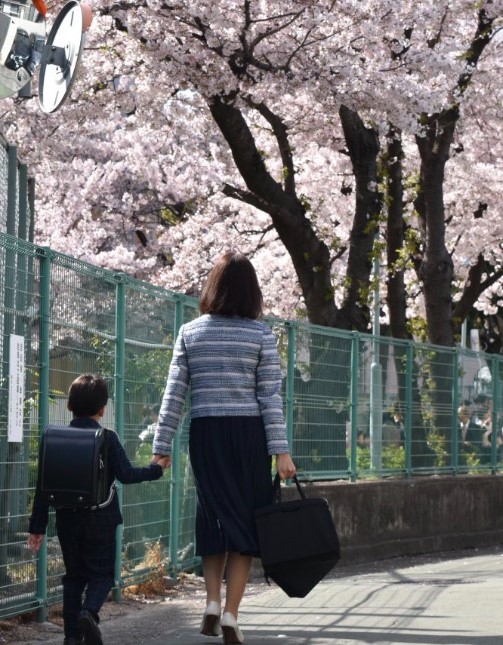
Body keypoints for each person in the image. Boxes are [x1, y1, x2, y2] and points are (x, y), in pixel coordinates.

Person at [152, 251, 296, 645]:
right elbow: (270, 398)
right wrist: (281, 451)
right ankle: (232, 613)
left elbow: (174, 395)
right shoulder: (261, 336)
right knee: (246, 523)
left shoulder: (190, 333)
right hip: (249, 436)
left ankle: (211, 603)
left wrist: (161, 445)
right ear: (253, 292)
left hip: (207, 434)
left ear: (212, 287)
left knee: (213, 516)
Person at [27, 374, 164, 645]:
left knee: (73, 577)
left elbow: (43, 488)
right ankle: (88, 613)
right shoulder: (107, 438)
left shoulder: (54, 438)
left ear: (69, 406)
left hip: (67, 519)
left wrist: (37, 527)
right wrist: (156, 469)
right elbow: (126, 475)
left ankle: (71, 637)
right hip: (102, 518)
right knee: (102, 574)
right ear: (102, 409)